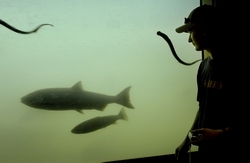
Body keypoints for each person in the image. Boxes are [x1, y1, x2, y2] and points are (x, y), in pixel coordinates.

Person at [174, 5, 246, 163]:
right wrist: (187, 140)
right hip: (207, 153)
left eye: (190, 32)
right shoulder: (203, 66)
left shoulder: (238, 67)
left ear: (205, 30)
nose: (188, 39)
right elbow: (202, 106)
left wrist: (218, 134)